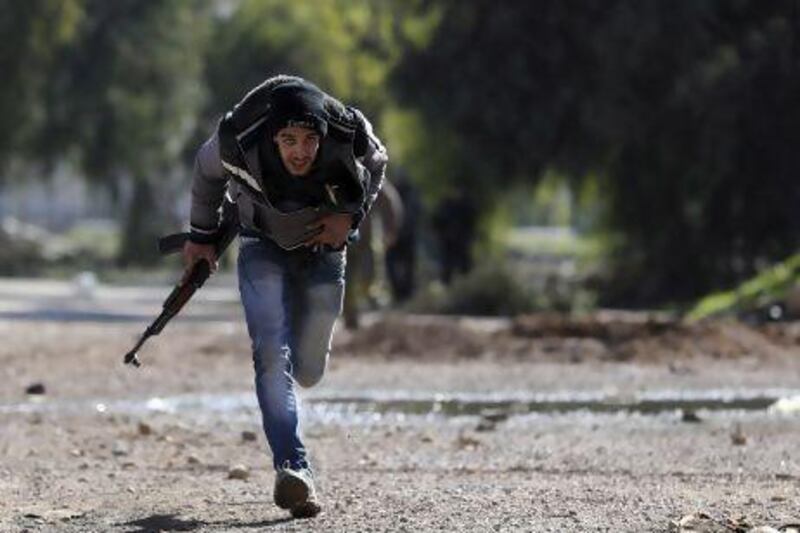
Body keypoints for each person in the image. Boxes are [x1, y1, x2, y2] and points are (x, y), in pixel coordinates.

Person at [181, 75, 387, 518]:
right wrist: (201, 236)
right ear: (272, 136)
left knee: (308, 371)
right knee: (271, 354)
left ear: (323, 135)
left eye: (309, 140)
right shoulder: (237, 138)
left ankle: (300, 374)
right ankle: (293, 467)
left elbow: (378, 162)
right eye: (288, 140)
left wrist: (349, 219)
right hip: (259, 244)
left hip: (324, 247)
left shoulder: (347, 132)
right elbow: (205, 174)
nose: (300, 152)